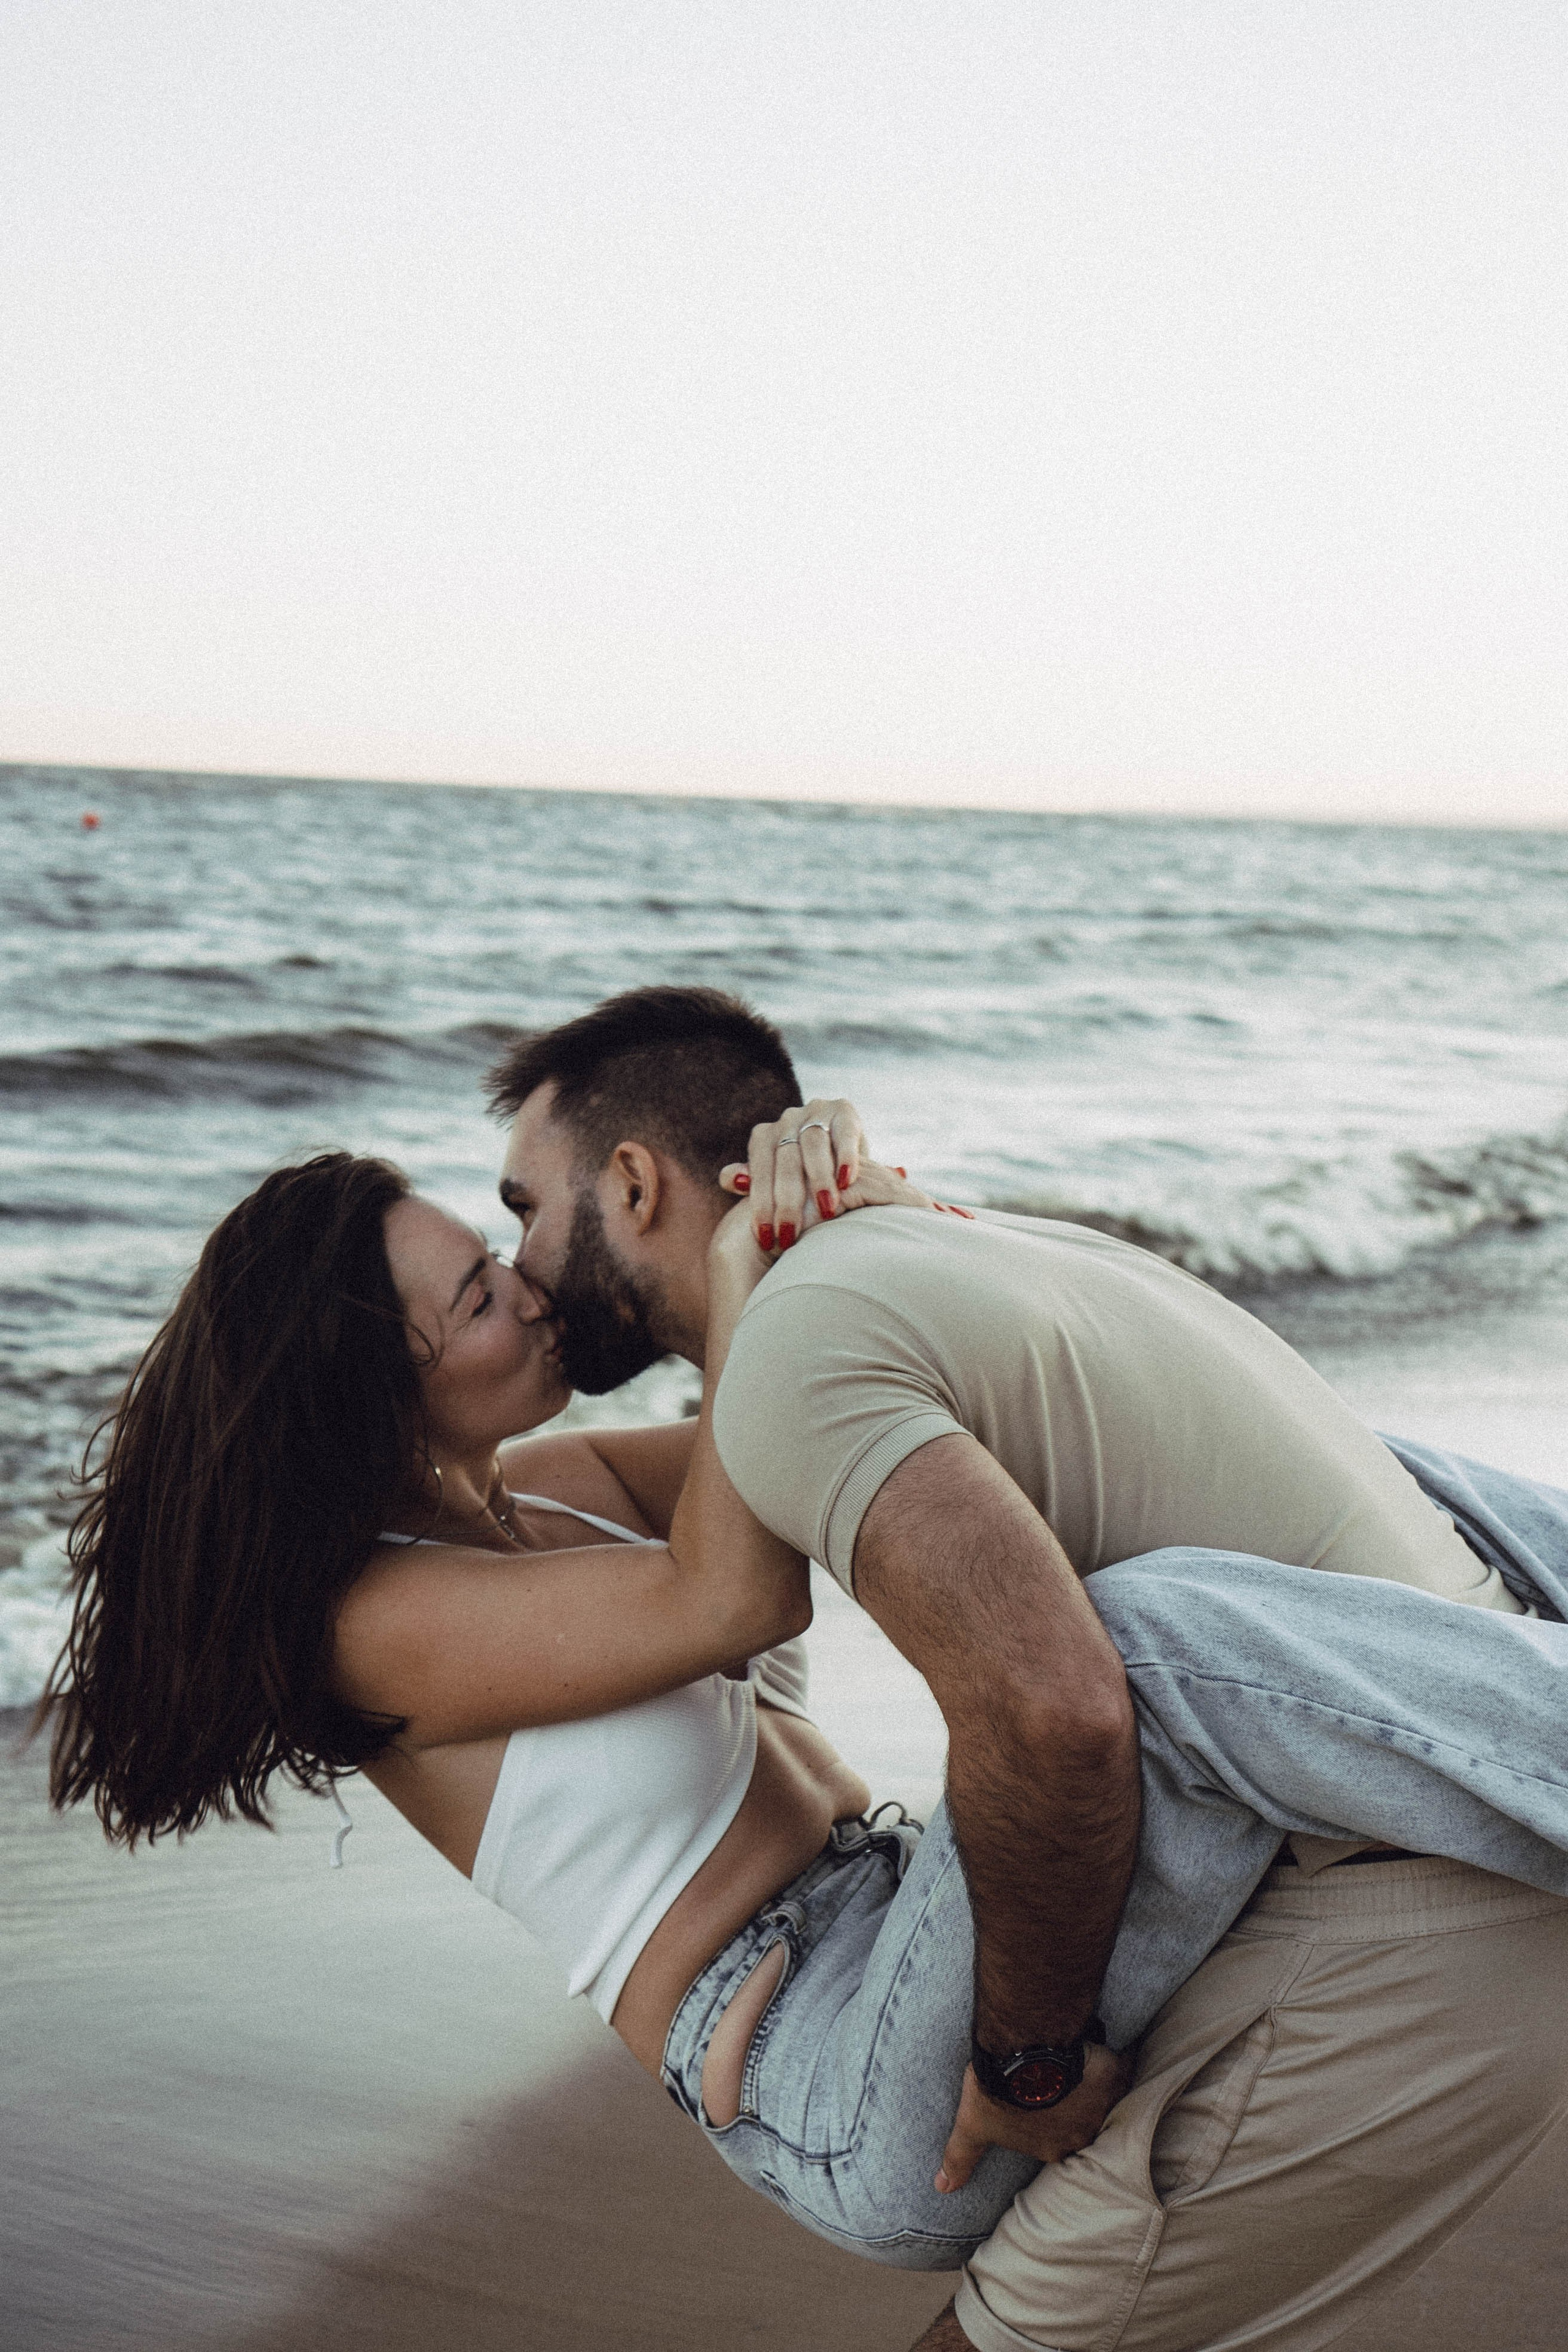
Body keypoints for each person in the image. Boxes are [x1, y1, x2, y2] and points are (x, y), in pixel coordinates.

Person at [489, 983, 1568, 2352]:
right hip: (1465, 1782)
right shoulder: (968, 1238)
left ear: (630, 1183)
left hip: (1411, 1912)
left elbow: (1051, 1710)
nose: (515, 1261)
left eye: (522, 1206)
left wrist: (1024, 2058)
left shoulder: (804, 1352)